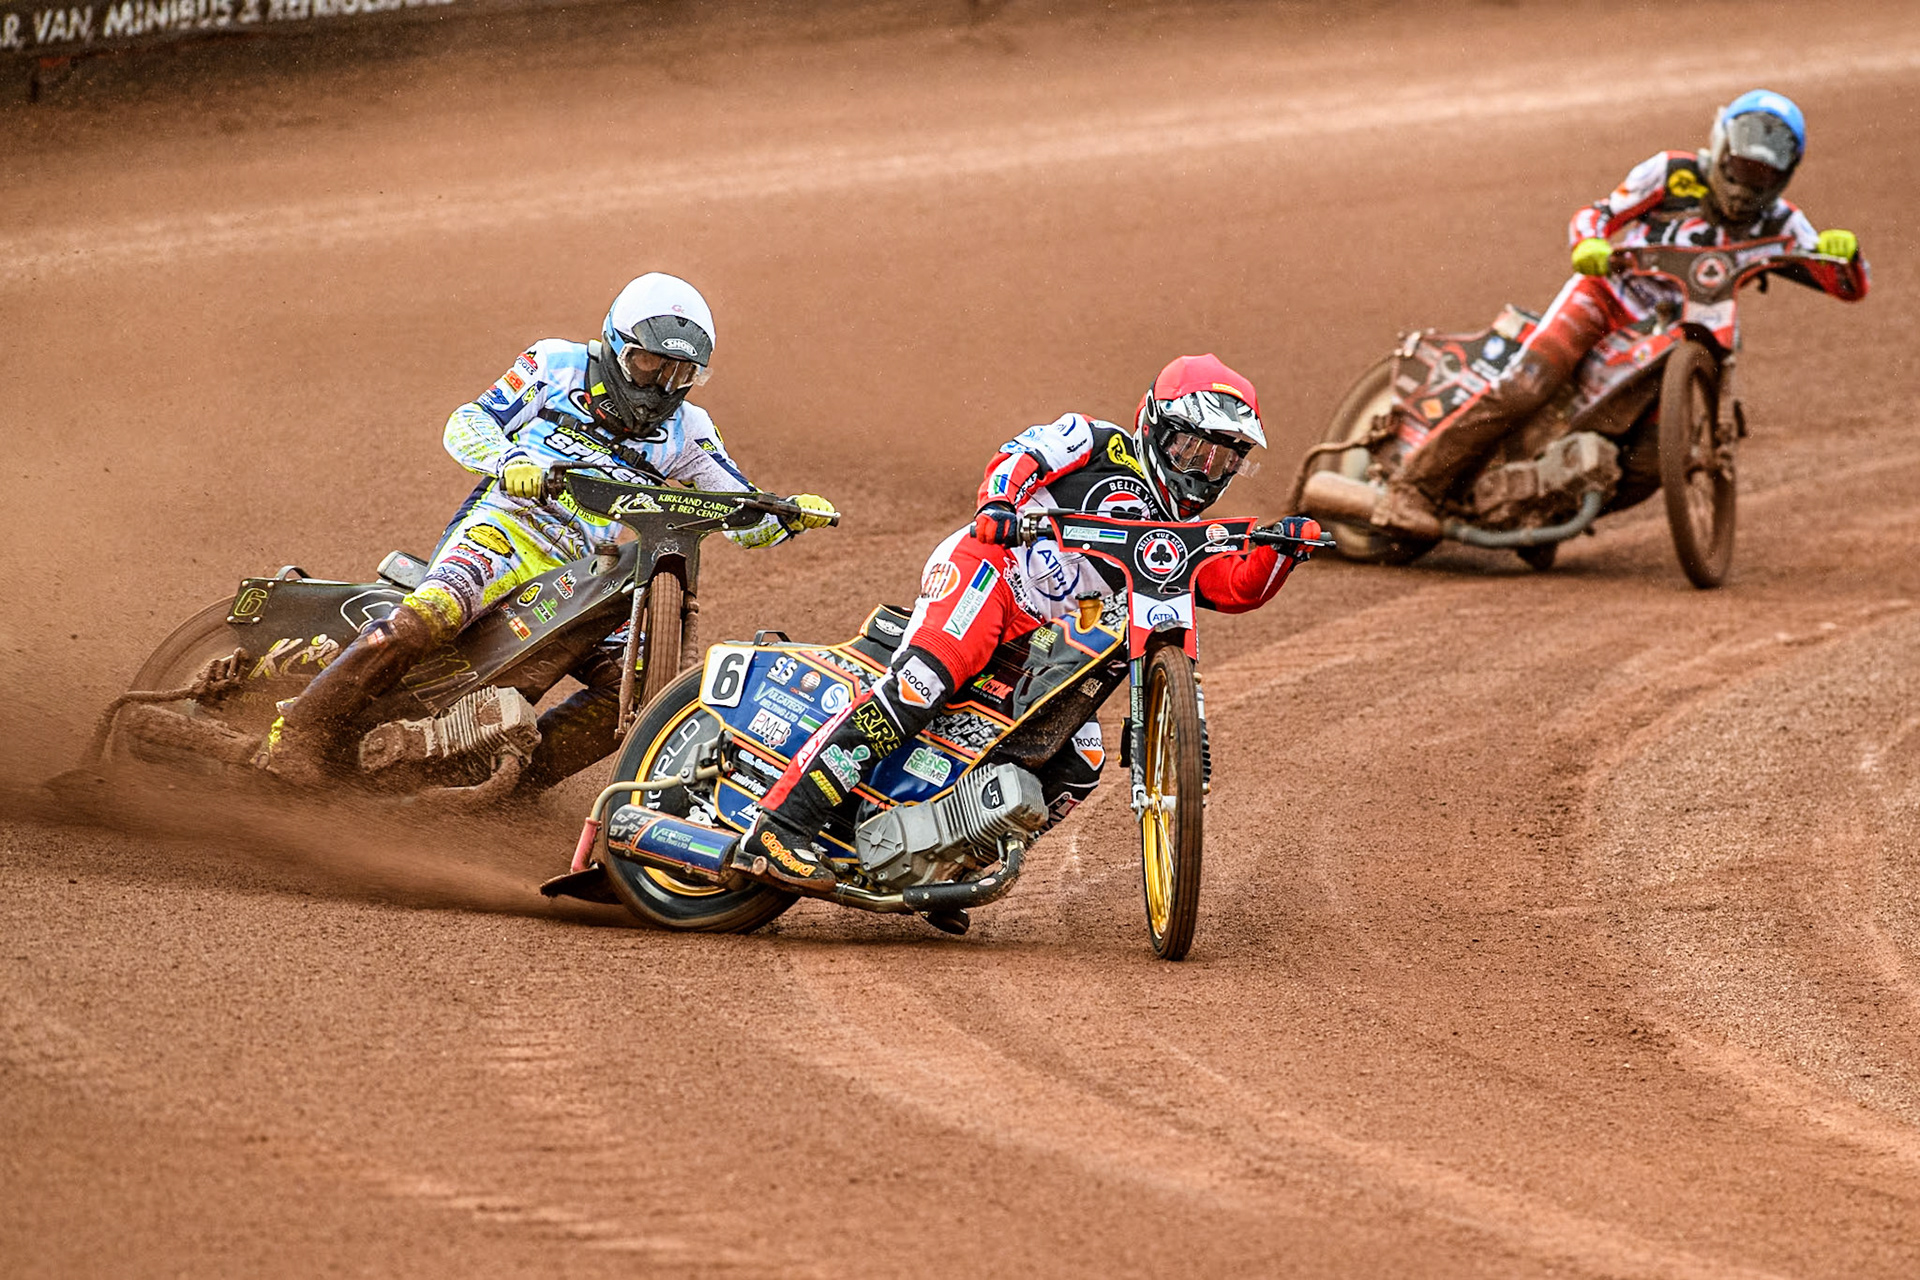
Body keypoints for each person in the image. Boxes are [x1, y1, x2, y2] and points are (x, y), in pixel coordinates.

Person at [732, 353, 1321, 890]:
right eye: (1193, 449)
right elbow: (1022, 454)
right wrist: (998, 505)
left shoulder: (1184, 533)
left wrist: (1282, 550)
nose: (1205, 470)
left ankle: (942, 858)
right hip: (992, 573)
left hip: (1051, 639)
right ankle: (781, 826)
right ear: (1156, 427)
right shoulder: (1096, 440)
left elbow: (1231, 587)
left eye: (1224, 458)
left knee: (1081, 759)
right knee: (927, 680)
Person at [257, 272, 837, 788]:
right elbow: (466, 424)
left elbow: (738, 513)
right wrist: (509, 461)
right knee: (426, 618)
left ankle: (502, 787)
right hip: (506, 531)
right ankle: (297, 736)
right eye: (650, 364)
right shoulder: (555, 365)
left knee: (633, 698)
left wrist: (787, 515)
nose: (662, 385)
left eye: (681, 372)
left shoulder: (690, 429)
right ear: (615, 346)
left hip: (591, 573)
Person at [1374, 89, 1871, 539]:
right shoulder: (1671, 172)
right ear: (1720, 151)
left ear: (1784, 177)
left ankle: (1546, 509)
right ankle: (1413, 489)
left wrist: (1843, 254)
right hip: (1608, 296)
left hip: (1684, 333)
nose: (1745, 188)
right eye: (1739, 168)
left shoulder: (1782, 221)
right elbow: (1598, 213)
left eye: (1762, 177)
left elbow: (1848, 286)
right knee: (1529, 383)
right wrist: (1589, 242)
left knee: (1656, 460)